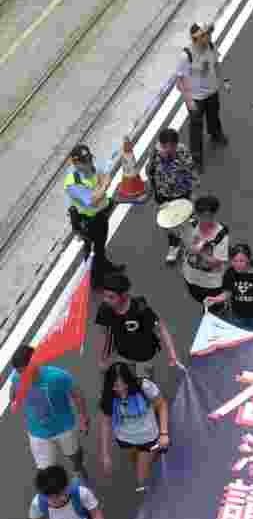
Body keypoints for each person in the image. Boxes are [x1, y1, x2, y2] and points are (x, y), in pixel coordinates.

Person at [11, 345, 90, 476]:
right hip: (37, 433)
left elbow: (77, 393)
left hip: (64, 428)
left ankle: (78, 467)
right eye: (19, 372)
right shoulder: (17, 377)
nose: (22, 375)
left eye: (24, 371)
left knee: (74, 454)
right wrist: (14, 397)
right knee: (46, 472)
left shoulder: (57, 376)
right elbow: (13, 391)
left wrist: (83, 417)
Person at [97, 361, 170, 493]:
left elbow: (162, 404)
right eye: (116, 386)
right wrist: (105, 454)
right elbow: (106, 423)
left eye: (124, 385)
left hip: (148, 437)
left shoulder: (145, 386)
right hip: (125, 440)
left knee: (141, 475)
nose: (121, 390)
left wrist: (164, 433)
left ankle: (145, 489)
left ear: (130, 380)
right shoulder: (108, 396)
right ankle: (152, 460)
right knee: (135, 461)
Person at [94, 276, 179, 379]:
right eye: (105, 296)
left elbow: (161, 328)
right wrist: (102, 359)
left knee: (145, 384)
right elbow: (103, 334)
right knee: (125, 383)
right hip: (121, 355)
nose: (106, 300)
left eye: (111, 297)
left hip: (144, 357)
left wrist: (172, 354)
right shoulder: (105, 310)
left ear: (124, 295)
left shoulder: (140, 308)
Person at [64, 143, 122, 285]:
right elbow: (92, 200)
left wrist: (101, 188)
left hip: (101, 213)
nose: (89, 164)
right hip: (88, 221)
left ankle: (104, 265)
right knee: (91, 251)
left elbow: (105, 173)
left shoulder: (91, 165)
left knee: (100, 245)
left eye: (89, 159)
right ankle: (95, 279)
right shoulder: (73, 182)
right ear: (75, 163)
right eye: (85, 162)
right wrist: (104, 185)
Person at [176, 23, 229, 172]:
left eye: (209, 34)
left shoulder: (211, 46)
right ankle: (196, 158)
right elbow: (179, 81)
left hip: (212, 92)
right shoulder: (186, 55)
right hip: (196, 98)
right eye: (206, 35)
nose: (209, 37)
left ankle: (215, 134)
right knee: (196, 128)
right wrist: (188, 100)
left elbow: (216, 64)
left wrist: (223, 80)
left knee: (214, 116)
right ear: (196, 38)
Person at [145, 127, 196, 265]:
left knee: (184, 221)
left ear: (175, 144)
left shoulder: (182, 151)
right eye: (165, 146)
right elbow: (149, 172)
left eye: (171, 146)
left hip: (182, 192)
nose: (168, 149)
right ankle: (174, 246)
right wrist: (160, 159)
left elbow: (190, 171)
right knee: (169, 223)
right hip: (164, 194)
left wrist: (194, 191)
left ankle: (192, 248)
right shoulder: (155, 152)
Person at [207, 242, 253, 332]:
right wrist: (216, 299)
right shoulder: (230, 273)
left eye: (241, 261)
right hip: (237, 316)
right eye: (234, 261)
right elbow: (228, 293)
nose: (237, 264)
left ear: (249, 259)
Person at [181, 194, 231, 306]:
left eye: (208, 216)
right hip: (191, 277)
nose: (204, 220)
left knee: (215, 306)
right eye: (200, 215)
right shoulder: (191, 225)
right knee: (199, 300)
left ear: (214, 214)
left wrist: (199, 252)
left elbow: (217, 262)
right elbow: (172, 230)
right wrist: (166, 212)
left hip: (211, 282)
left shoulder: (221, 234)